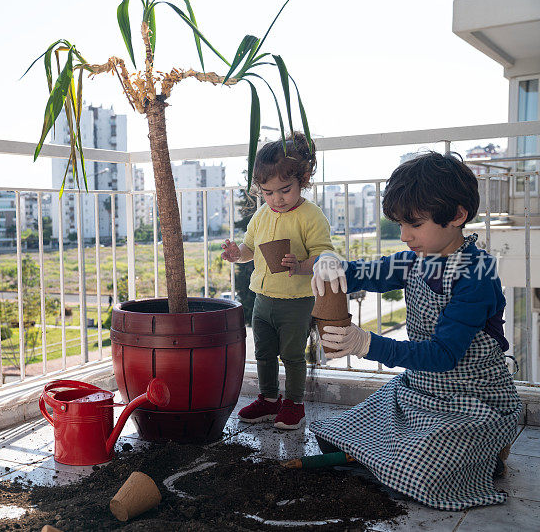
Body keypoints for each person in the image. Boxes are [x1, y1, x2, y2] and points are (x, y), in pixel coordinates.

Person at [309, 152, 521, 510]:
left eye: (414, 224)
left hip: (472, 400)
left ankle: (490, 447)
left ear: (456, 215)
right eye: (399, 224)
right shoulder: (414, 261)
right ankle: (449, 450)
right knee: (335, 435)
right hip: (420, 391)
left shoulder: (476, 275)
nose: (404, 236)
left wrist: (367, 344)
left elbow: (443, 355)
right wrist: (327, 264)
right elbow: (359, 272)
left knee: (416, 468)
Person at [221, 132, 333, 429]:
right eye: (268, 193)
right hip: (263, 298)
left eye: (285, 190)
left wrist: (301, 264)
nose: (277, 199)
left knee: (293, 355)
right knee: (264, 353)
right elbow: (249, 249)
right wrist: (237, 254)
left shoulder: (311, 215)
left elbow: (324, 256)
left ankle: (294, 404)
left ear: (303, 180)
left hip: (297, 301)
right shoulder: (261, 215)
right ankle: (269, 400)